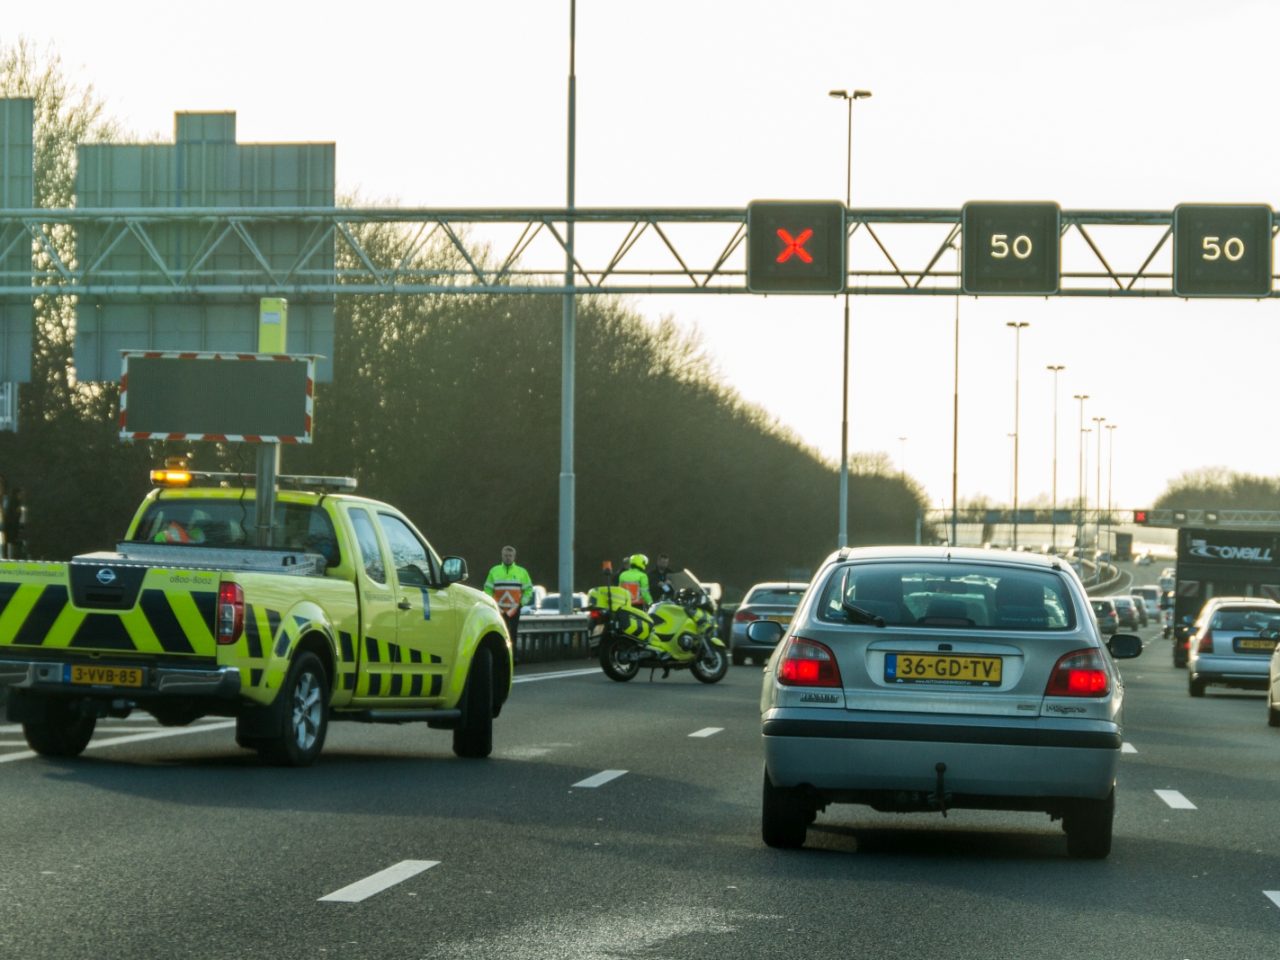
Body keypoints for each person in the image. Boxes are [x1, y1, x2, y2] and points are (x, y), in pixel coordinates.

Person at [484, 545, 534, 653]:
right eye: (506, 555)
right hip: (498, 609)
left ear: (514, 557)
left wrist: (521, 603)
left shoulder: (522, 572)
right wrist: (492, 603)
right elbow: (487, 589)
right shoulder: (494, 571)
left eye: (510, 555)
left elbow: (528, 590)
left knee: (513, 634)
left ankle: (513, 656)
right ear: (502, 556)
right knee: (499, 633)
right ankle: (500, 654)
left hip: (515, 609)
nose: (508, 557)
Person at [3, 486, 23, 559]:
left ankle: (8, 557)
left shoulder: (11, 502)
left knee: (9, 542)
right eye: (20, 494)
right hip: (11, 528)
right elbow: (13, 516)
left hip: (10, 527)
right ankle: (10, 557)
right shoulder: (15, 503)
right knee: (11, 542)